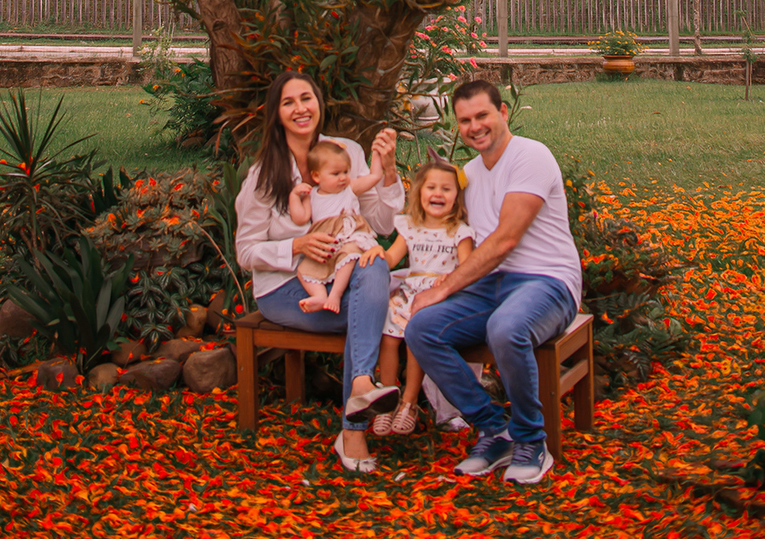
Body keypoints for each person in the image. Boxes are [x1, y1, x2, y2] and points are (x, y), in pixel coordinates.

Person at [404, 78, 582, 486]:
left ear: (503, 113)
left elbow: (505, 240)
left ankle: (531, 440)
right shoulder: (467, 173)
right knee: (422, 329)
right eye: (465, 120)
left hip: (548, 281)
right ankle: (493, 428)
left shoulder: (530, 156)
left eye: (482, 115)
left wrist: (444, 286)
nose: (474, 126)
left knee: (506, 329)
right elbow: (441, 225)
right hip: (495, 283)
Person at [234, 68, 403, 474]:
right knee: (376, 313)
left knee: (374, 260)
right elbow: (245, 251)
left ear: (319, 103)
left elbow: (380, 224)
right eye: (288, 102)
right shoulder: (264, 175)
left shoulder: (345, 152)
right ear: (276, 113)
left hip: (344, 278)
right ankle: (354, 429)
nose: (300, 109)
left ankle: (357, 402)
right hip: (289, 287)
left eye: (306, 98)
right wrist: (296, 244)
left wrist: (391, 170)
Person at [372, 155, 474, 437]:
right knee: (389, 335)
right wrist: (374, 253)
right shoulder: (410, 227)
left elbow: (468, 267)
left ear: (457, 196)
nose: (438, 194)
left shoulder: (460, 232)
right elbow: (392, 257)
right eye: (431, 188)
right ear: (419, 193)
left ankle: (409, 402)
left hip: (438, 295)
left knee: (416, 336)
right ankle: (386, 399)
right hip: (408, 291)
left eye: (446, 188)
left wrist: (449, 279)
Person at [289, 138, 386, 313]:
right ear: (317, 176)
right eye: (335, 174)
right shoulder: (312, 196)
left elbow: (375, 177)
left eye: (345, 172)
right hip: (325, 243)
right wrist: (294, 196)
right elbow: (300, 217)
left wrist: (378, 154)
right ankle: (319, 296)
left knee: (350, 255)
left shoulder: (350, 188)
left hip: (349, 235)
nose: (343, 178)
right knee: (304, 270)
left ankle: (336, 294)